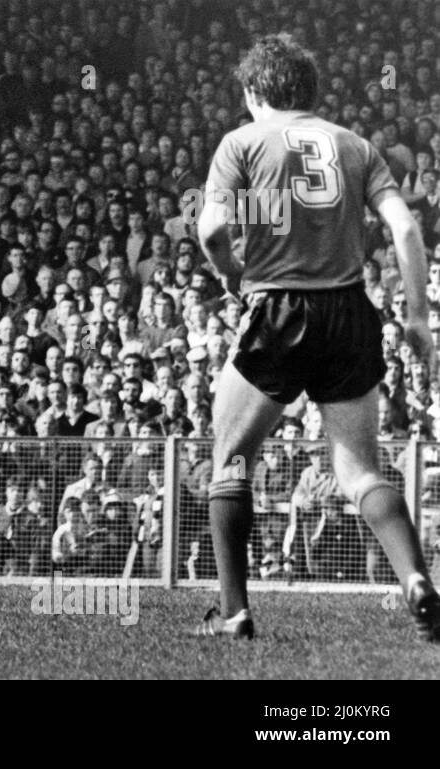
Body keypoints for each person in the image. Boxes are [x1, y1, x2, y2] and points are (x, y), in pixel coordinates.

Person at [195, 34, 439, 640]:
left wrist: (231, 278)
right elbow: (405, 230)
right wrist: (414, 316)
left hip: (278, 308)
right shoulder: (356, 145)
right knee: (359, 471)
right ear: (308, 90)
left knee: (231, 460)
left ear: (254, 92)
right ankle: (414, 578)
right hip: (350, 312)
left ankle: (234, 611)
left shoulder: (242, 142)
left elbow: (212, 230)